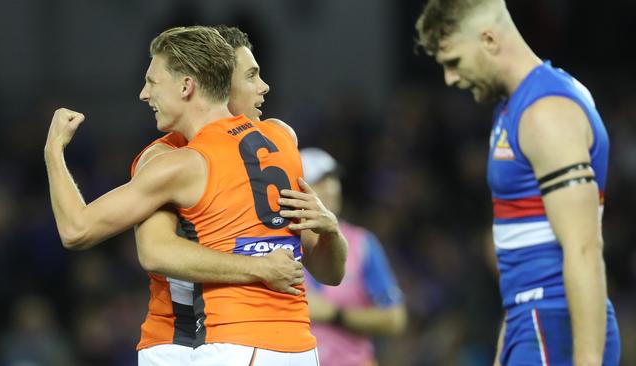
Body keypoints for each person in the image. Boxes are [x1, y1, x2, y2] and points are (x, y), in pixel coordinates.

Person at [44, 26, 347, 366]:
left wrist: (53, 150)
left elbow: (77, 230)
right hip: (294, 344)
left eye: (153, 82)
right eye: (251, 76)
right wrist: (268, 262)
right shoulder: (282, 138)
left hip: (225, 342)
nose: (144, 94)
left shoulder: (177, 163)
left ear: (187, 85)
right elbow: (325, 270)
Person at [415, 1, 620, 365]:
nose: (450, 79)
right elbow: (523, 262)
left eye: (454, 62)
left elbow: (584, 248)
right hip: (531, 321)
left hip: (557, 325)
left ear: (489, 39)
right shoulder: (515, 108)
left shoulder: (547, 111)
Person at [131, 26, 310, 366]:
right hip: (175, 341)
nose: (263, 87)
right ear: (219, 85)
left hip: (235, 338)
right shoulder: (165, 158)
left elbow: (323, 266)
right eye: (251, 75)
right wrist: (259, 268)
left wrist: (327, 227)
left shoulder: (270, 144)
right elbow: (152, 250)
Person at [300, 147, 407, 366]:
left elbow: (395, 319)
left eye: (333, 180)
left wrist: (335, 314)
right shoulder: (277, 244)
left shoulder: (362, 244)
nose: (331, 189)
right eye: (319, 182)